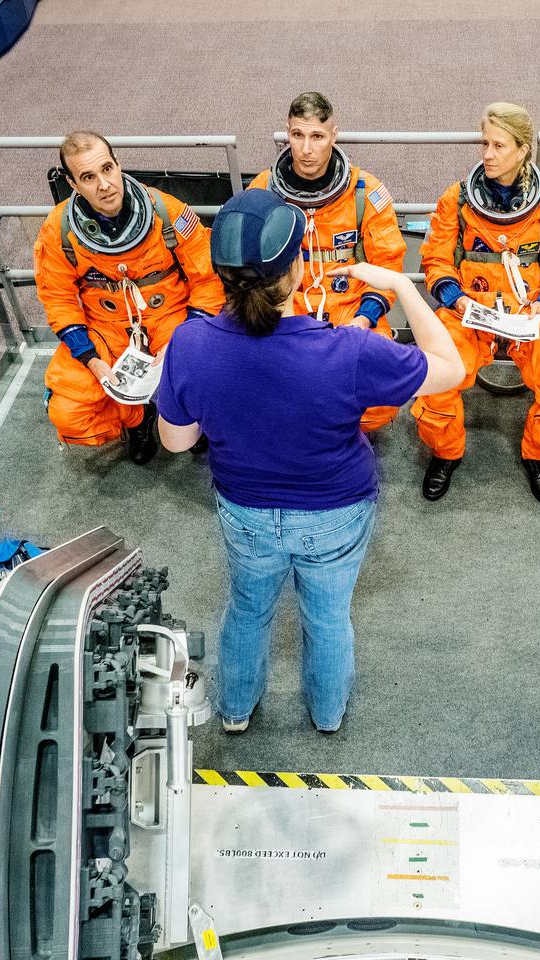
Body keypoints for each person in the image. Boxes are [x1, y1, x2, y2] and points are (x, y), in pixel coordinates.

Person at [155, 189, 464, 734]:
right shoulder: (348, 349)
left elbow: (177, 442)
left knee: (247, 609)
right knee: (327, 618)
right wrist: (399, 285)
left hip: (245, 511)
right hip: (335, 512)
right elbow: (450, 368)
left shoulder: (188, 344)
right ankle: (326, 715)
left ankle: (234, 711)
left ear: (220, 271)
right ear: (297, 267)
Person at [412, 102, 540, 505]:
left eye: (498, 146)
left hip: (531, 313)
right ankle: (446, 453)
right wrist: (455, 301)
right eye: (484, 144)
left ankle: (538, 455)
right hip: (469, 311)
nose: (487, 154)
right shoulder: (456, 200)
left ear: (524, 149)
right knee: (436, 381)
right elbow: (436, 260)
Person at [34, 130, 223, 462]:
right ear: (73, 183)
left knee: (208, 367)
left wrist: (184, 337)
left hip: (170, 318)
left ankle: (191, 422)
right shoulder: (58, 230)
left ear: (118, 163)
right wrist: (90, 359)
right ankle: (137, 418)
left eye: (107, 169)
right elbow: (58, 298)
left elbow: (208, 280)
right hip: (106, 328)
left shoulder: (167, 211)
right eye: (88, 177)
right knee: (68, 413)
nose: (104, 185)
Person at [249, 92, 408, 432]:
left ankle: (346, 437)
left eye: (317, 137)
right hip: (287, 310)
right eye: (297, 135)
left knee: (381, 396)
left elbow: (388, 265)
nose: (306, 150)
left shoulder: (365, 192)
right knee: (269, 389)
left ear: (333, 136)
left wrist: (365, 318)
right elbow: (247, 266)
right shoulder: (262, 191)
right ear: (287, 133)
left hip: (350, 309)